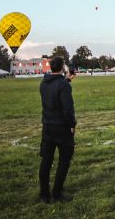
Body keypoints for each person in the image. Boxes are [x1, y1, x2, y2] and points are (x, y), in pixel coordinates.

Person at [39, 57, 76, 204]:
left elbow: (54, 91)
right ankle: (57, 193)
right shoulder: (63, 85)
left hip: (47, 126)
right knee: (64, 161)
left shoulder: (44, 82)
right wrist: (72, 124)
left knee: (46, 161)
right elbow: (67, 108)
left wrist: (66, 80)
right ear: (62, 67)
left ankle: (44, 195)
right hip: (62, 127)